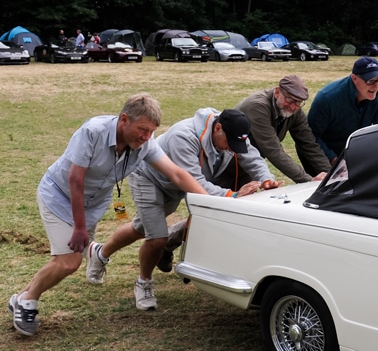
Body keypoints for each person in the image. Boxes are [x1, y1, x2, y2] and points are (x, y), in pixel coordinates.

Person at [8, 93, 208, 337]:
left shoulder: (145, 142)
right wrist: (80, 228)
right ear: (124, 119)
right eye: (142, 130)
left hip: (91, 204)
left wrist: (208, 203)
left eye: (151, 132)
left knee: (66, 260)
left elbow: (176, 174)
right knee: (69, 261)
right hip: (60, 196)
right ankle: (28, 300)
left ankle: (20, 298)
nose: (146, 137)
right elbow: (75, 178)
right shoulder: (93, 131)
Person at [89, 108, 280, 311]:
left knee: (140, 228)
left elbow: (251, 156)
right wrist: (232, 196)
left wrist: (266, 179)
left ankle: (99, 253)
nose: (232, 150)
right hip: (151, 179)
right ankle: (143, 283)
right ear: (218, 129)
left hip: (177, 186)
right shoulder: (184, 137)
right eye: (230, 144)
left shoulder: (233, 130)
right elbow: (192, 181)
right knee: (157, 237)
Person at [235, 74, 331, 183]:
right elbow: (273, 150)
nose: (293, 107)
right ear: (277, 92)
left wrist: (330, 175)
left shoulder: (295, 112)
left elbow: (309, 144)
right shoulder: (257, 107)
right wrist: (308, 181)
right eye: (289, 99)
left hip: (250, 164)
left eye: (298, 102)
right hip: (224, 163)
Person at [307, 56, 378, 162]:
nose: (375, 86)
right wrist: (334, 160)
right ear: (354, 78)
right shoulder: (327, 98)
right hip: (320, 152)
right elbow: (311, 136)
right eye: (370, 81)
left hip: (352, 152)